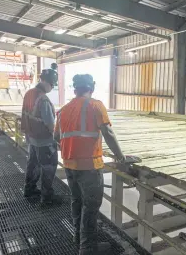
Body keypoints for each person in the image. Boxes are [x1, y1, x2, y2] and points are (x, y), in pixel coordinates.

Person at [54, 74, 130, 255]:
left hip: (69, 165)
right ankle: (87, 249)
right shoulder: (95, 105)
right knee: (90, 207)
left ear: (75, 89)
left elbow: (56, 138)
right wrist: (121, 157)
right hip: (89, 167)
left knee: (77, 202)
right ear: (92, 87)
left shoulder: (64, 110)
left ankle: (79, 239)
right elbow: (108, 133)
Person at [21, 69, 58, 205]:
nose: (52, 87)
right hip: (44, 140)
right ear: (45, 82)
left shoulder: (29, 93)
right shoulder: (43, 99)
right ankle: (47, 198)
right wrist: (57, 139)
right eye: (52, 84)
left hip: (32, 137)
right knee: (49, 167)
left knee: (33, 164)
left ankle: (29, 189)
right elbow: (49, 124)